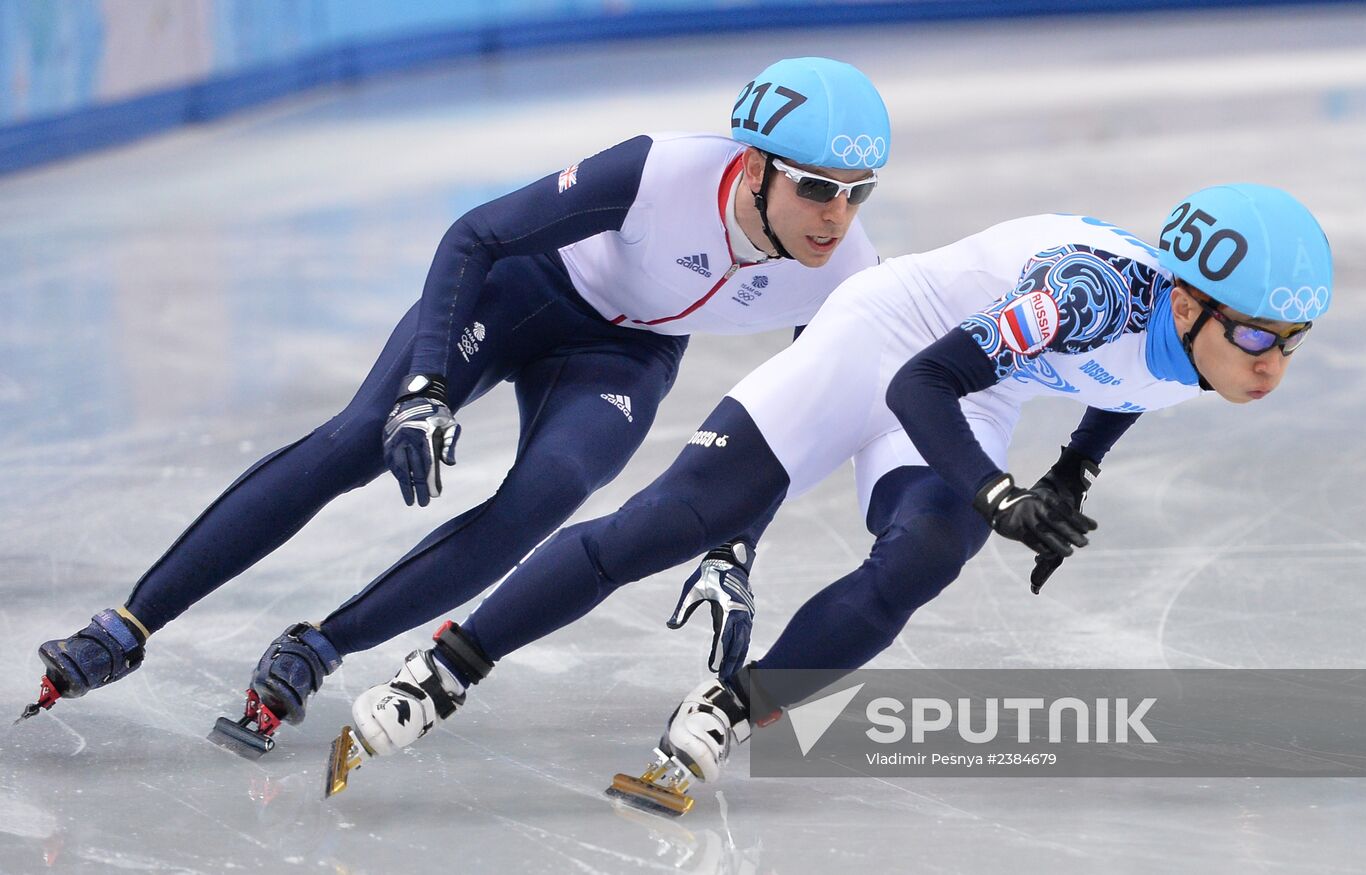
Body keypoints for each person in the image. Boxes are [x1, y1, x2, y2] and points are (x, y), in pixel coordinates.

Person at [326, 184, 1331, 805]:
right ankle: (445, 667)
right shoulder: (1087, 294)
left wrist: (1069, 473)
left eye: (1290, 341)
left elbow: (1134, 384)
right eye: (1255, 335)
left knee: (926, 556)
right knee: (675, 521)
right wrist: (995, 492)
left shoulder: (1201, 346)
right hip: (888, 343)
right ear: (1188, 298)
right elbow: (918, 383)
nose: (1271, 364)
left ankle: (732, 702)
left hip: (983, 386)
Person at [20, 58, 892, 750]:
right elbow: (474, 234)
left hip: (626, 351)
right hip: (527, 288)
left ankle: (320, 646)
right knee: (362, 436)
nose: (837, 217)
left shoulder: (849, 277)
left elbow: (789, 426)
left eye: (859, 193)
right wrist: (425, 388)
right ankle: (128, 625)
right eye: (817, 187)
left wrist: (734, 546)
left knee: (542, 501)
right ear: (749, 166)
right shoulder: (660, 170)